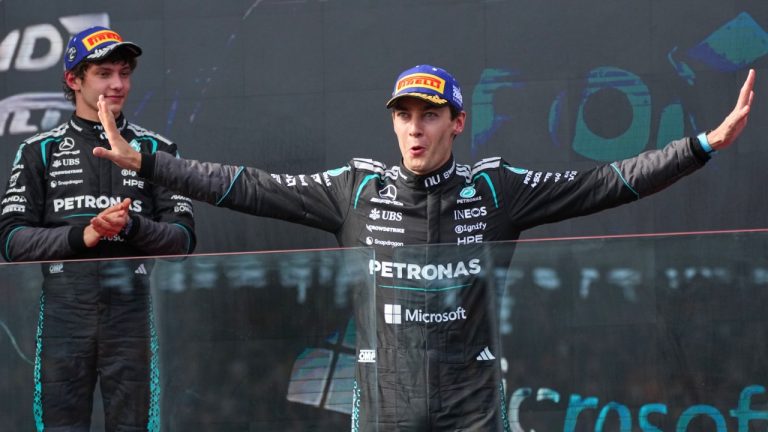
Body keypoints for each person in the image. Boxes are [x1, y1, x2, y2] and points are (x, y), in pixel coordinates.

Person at [94, 64, 754, 431]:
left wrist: (701, 147)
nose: (415, 128)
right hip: (386, 406)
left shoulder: (497, 189)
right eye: (404, 116)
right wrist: (148, 163)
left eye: (430, 115)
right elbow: (243, 187)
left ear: (456, 122)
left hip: (473, 406)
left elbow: (607, 182)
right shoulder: (354, 189)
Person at [0, 26, 196, 431]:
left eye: (124, 73)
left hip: (134, 314)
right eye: (104, 73)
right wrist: (84, 236)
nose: (118, 84)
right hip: (62, 315)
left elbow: (183, 239)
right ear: (74, 79)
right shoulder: (40, 150)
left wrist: (131, 227)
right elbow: (11, 240)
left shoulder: (157, 150)